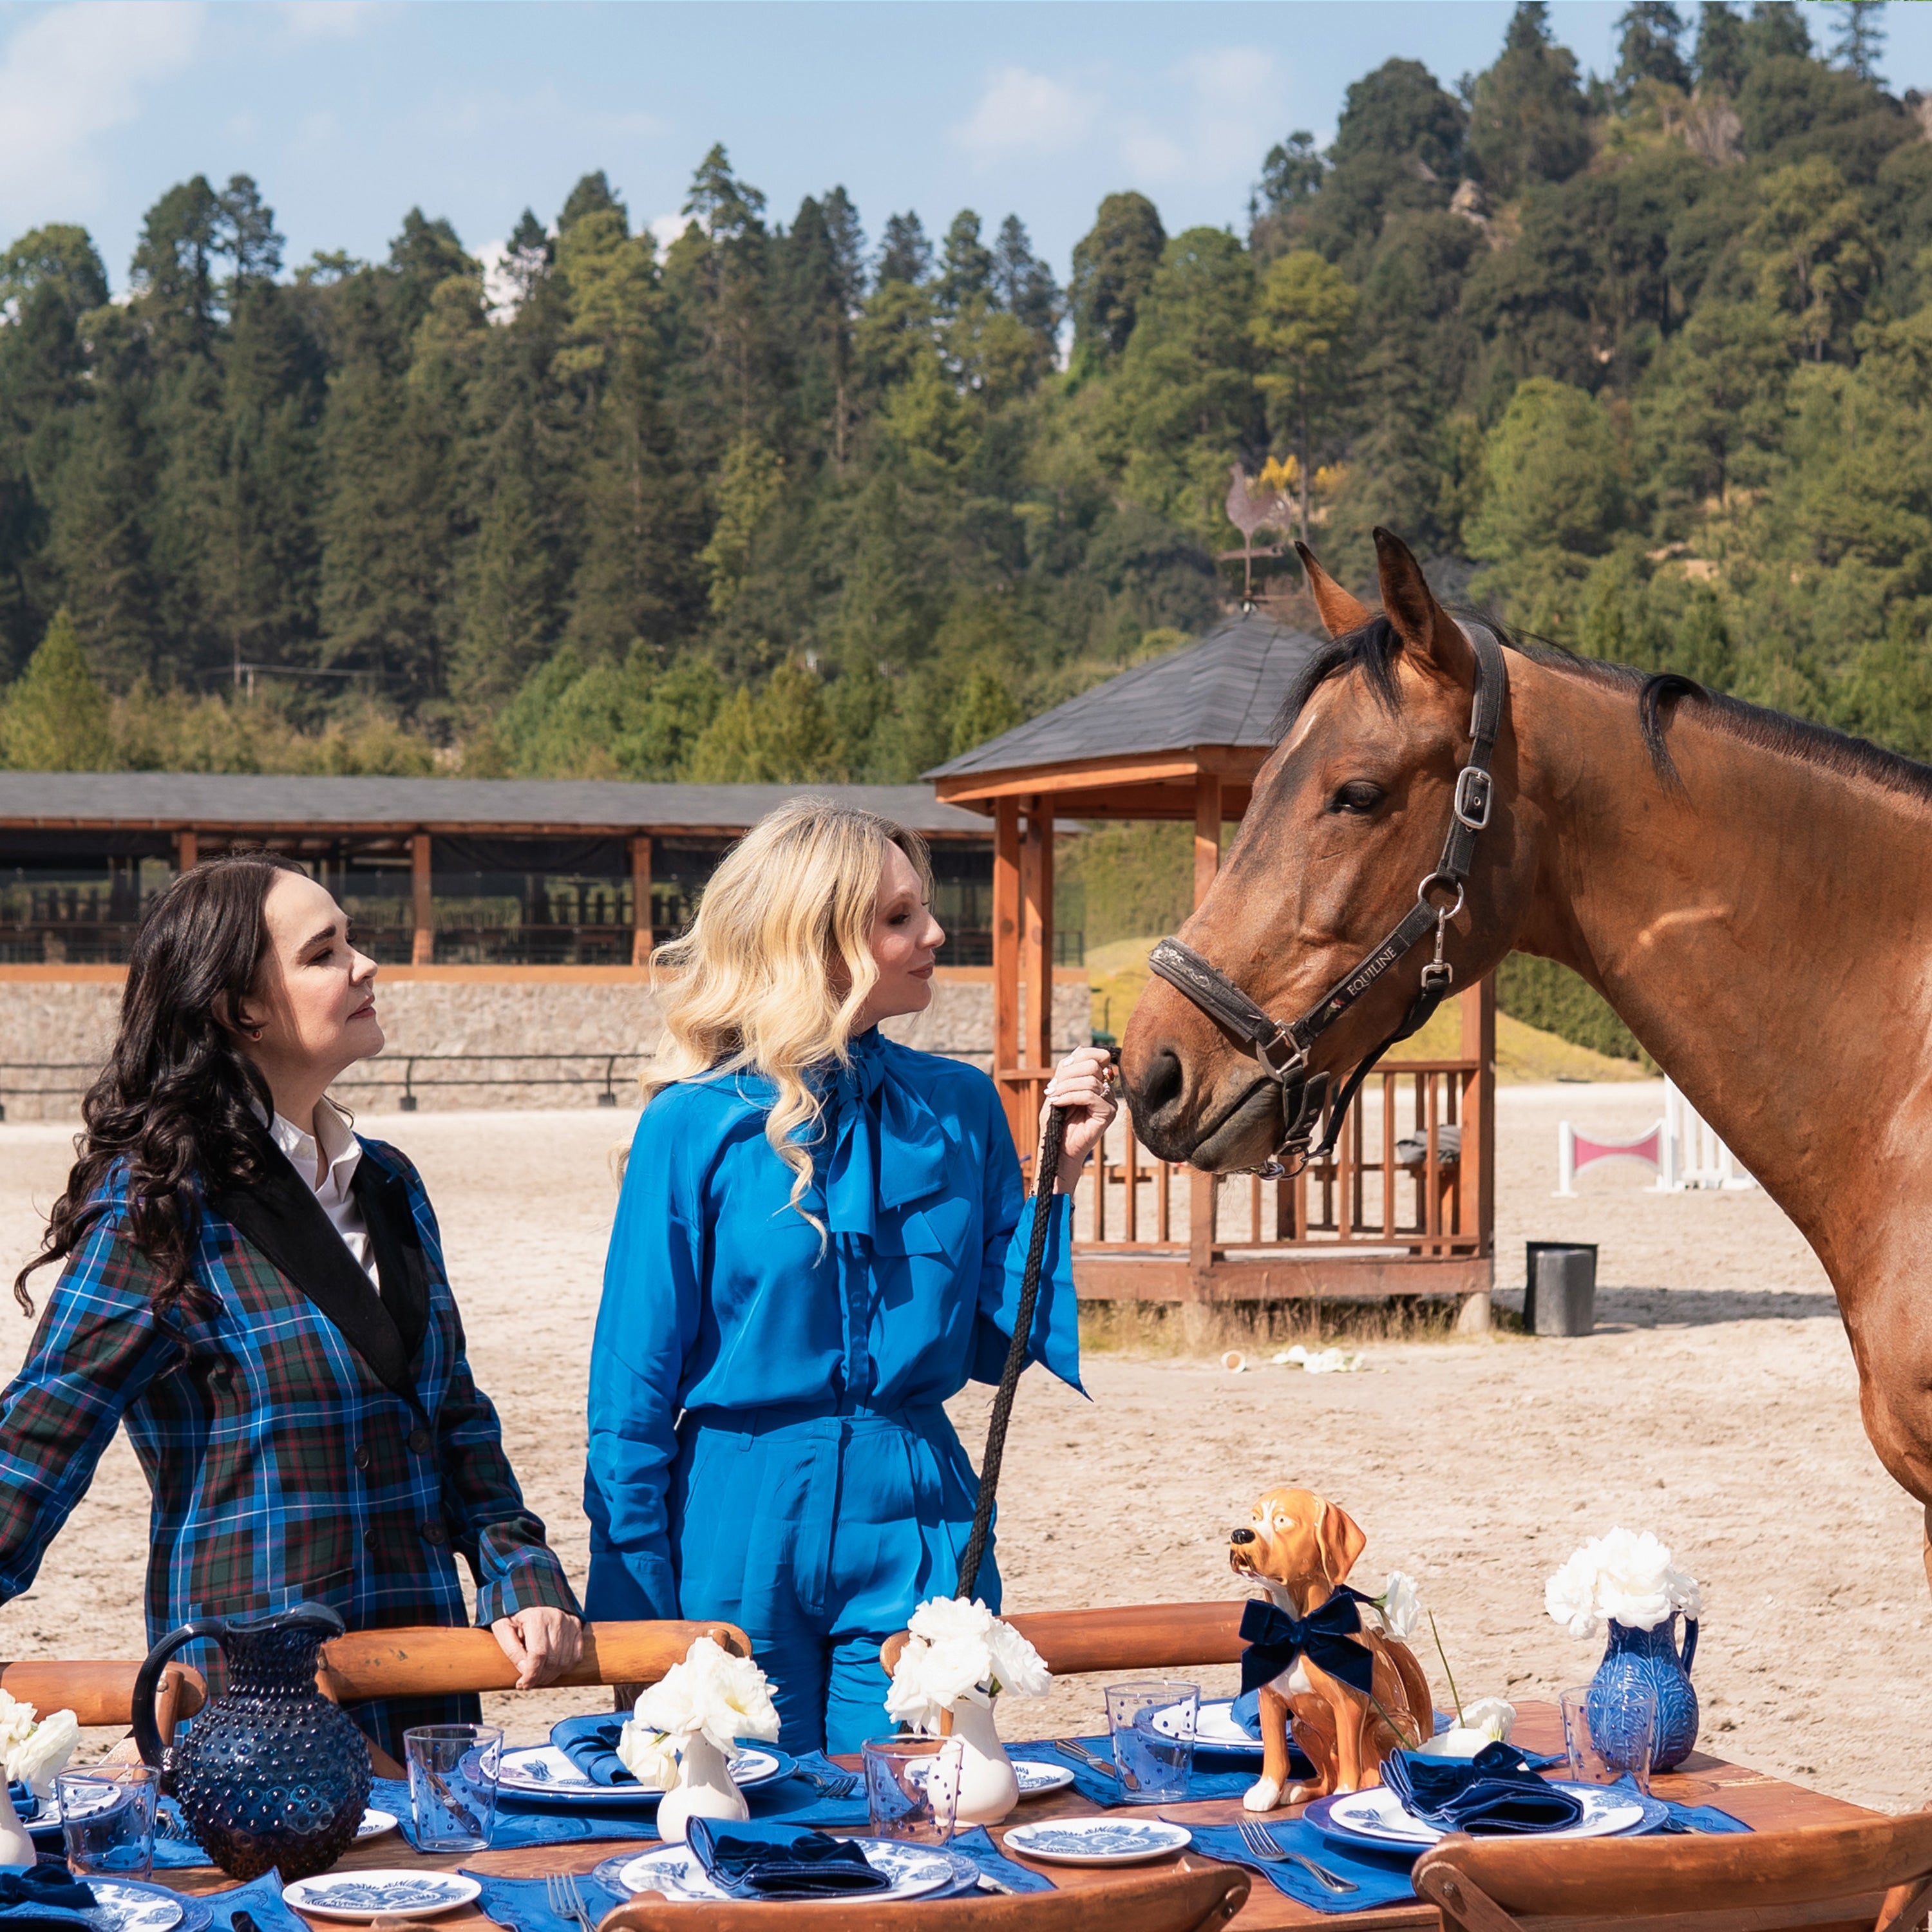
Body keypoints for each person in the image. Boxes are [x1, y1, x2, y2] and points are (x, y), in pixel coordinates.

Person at [1, 854, 582, 1762]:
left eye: (351, 943)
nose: (365, 966)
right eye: (325, 952)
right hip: (255, 1730)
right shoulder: (159, 1210)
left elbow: (454, 1415)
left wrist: (520, 1569)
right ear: (242, 1009)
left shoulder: (389, 1184)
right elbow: (33, 1446)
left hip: (425, 1697)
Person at [583, 798, 1115, 1753]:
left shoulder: (961, 1106)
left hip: (915, 1504)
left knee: (919, 1808)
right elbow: (630, 1397)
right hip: (734, 1517)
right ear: (815, 943)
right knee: (740, 1827)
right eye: (899, 917)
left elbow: (998, 1348)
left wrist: (1061, 1176)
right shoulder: (690, 1125)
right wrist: (632, 1625)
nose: (935, 935)